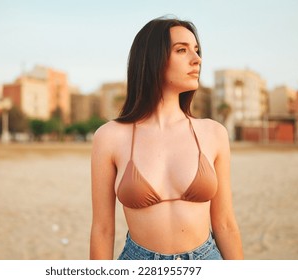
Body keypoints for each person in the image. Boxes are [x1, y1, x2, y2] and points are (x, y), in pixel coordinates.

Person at [90, 16, 244, 260]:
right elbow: (102, 230)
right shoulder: (109, 137)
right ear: (153, 59)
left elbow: (225, 223)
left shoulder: (213, 133)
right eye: (182, 50)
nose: (197, 59)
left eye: (197, 50)